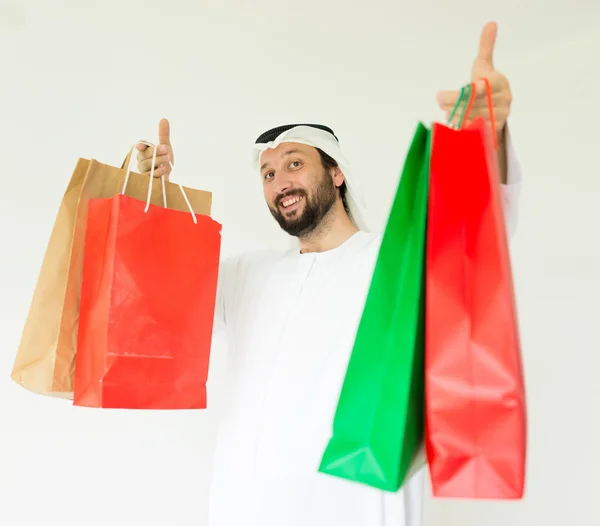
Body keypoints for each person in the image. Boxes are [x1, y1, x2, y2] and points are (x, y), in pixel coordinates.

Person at [136, 21, 522, 526]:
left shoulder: (392, 263)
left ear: (335, 172)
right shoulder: (245, 274)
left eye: (295, 164)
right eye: (269, 174)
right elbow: (161, 291)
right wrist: (152, 193)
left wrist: (487, 134)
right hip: (240, 509)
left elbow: (476, 237)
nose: (279, 182)